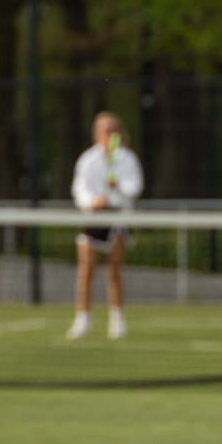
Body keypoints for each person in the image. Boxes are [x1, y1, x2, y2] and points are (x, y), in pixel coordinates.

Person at [66, 111, 144, 342]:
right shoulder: (88, 160)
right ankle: (82, 320)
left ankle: (117, 320)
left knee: (114, 270)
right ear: (97, 134)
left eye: (113, 130)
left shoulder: (127, 159)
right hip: (94, 217)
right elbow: (79, 190)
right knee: (86, 269)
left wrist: (115, 189)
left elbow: (134, 188)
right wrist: (93, 202)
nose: (109, 134)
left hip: (118, 218)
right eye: (105, 130)